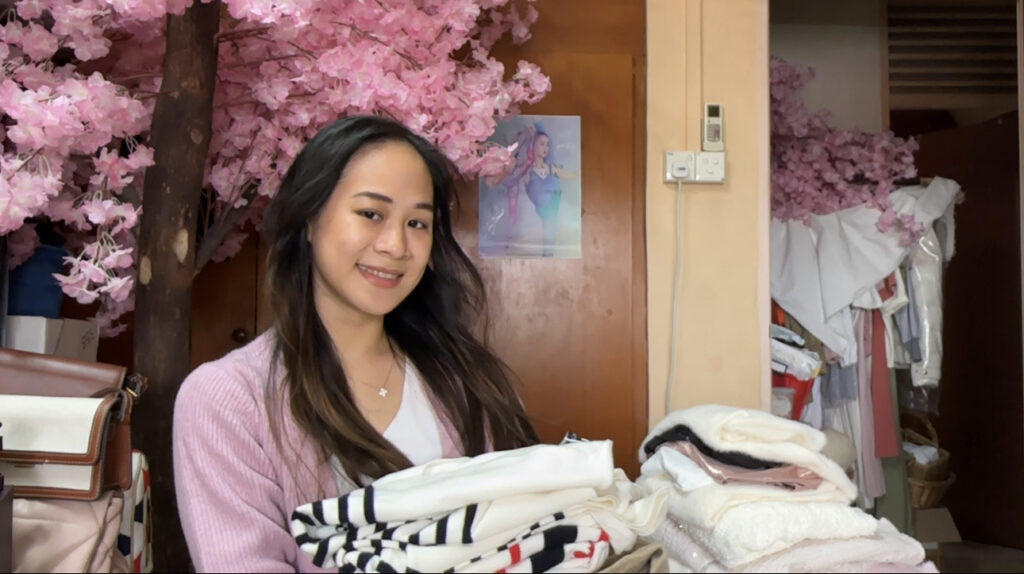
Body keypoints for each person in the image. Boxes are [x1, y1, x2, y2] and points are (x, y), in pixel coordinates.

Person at [172, 115, 539, 572]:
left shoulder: (467, 379)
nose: (396, 245)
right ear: (309, 218)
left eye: (418, 223)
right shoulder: (227, 399)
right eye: (371, 214)